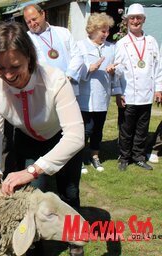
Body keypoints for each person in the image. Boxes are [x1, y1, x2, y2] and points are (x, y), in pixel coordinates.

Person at [0, 22, 85, 256]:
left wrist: (32, 171)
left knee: (69, 193)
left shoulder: (56, 80)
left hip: (62, 140)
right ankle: (32, 245)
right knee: (30, 201)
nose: (8, 75)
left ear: (29, 57)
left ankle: (76, 240)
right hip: (28, 142)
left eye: (15, 66)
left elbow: (76, 135)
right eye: (0, 68)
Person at [113, 3, 162, 171]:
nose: (135, 21)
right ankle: (124, 157)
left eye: (138, 18)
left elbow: (158, 67)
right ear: (127, 21)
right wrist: (118, 93)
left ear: (144, 20)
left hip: (147, 93)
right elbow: (117, 69)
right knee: (126, 128)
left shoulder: (152, 41)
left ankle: (139, 156)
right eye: (132, 18)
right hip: (128, 93)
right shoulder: (122, 43)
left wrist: (158, 89)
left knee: (142, 128)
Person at [76, 13, 117, 173]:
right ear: (93, 30)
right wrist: (89, 69)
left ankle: (94, 157)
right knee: (84, 130)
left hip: (102, 97)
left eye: (107, 31)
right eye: (103, 31)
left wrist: (113, 71)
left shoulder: (111, 48)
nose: (106, 34)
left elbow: (118, 72)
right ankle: (77, 159)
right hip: (85, 97)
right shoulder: (80, 46)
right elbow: (75, 71)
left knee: (98, 129)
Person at [23, 4, 83, 95]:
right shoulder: (25, 39)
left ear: (43, 14)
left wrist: (68, 76)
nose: (32, 24)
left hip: (68, 84)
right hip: (45, 90)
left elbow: (77, 56)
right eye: (28, 22)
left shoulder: (63, 32)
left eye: (34, 19)